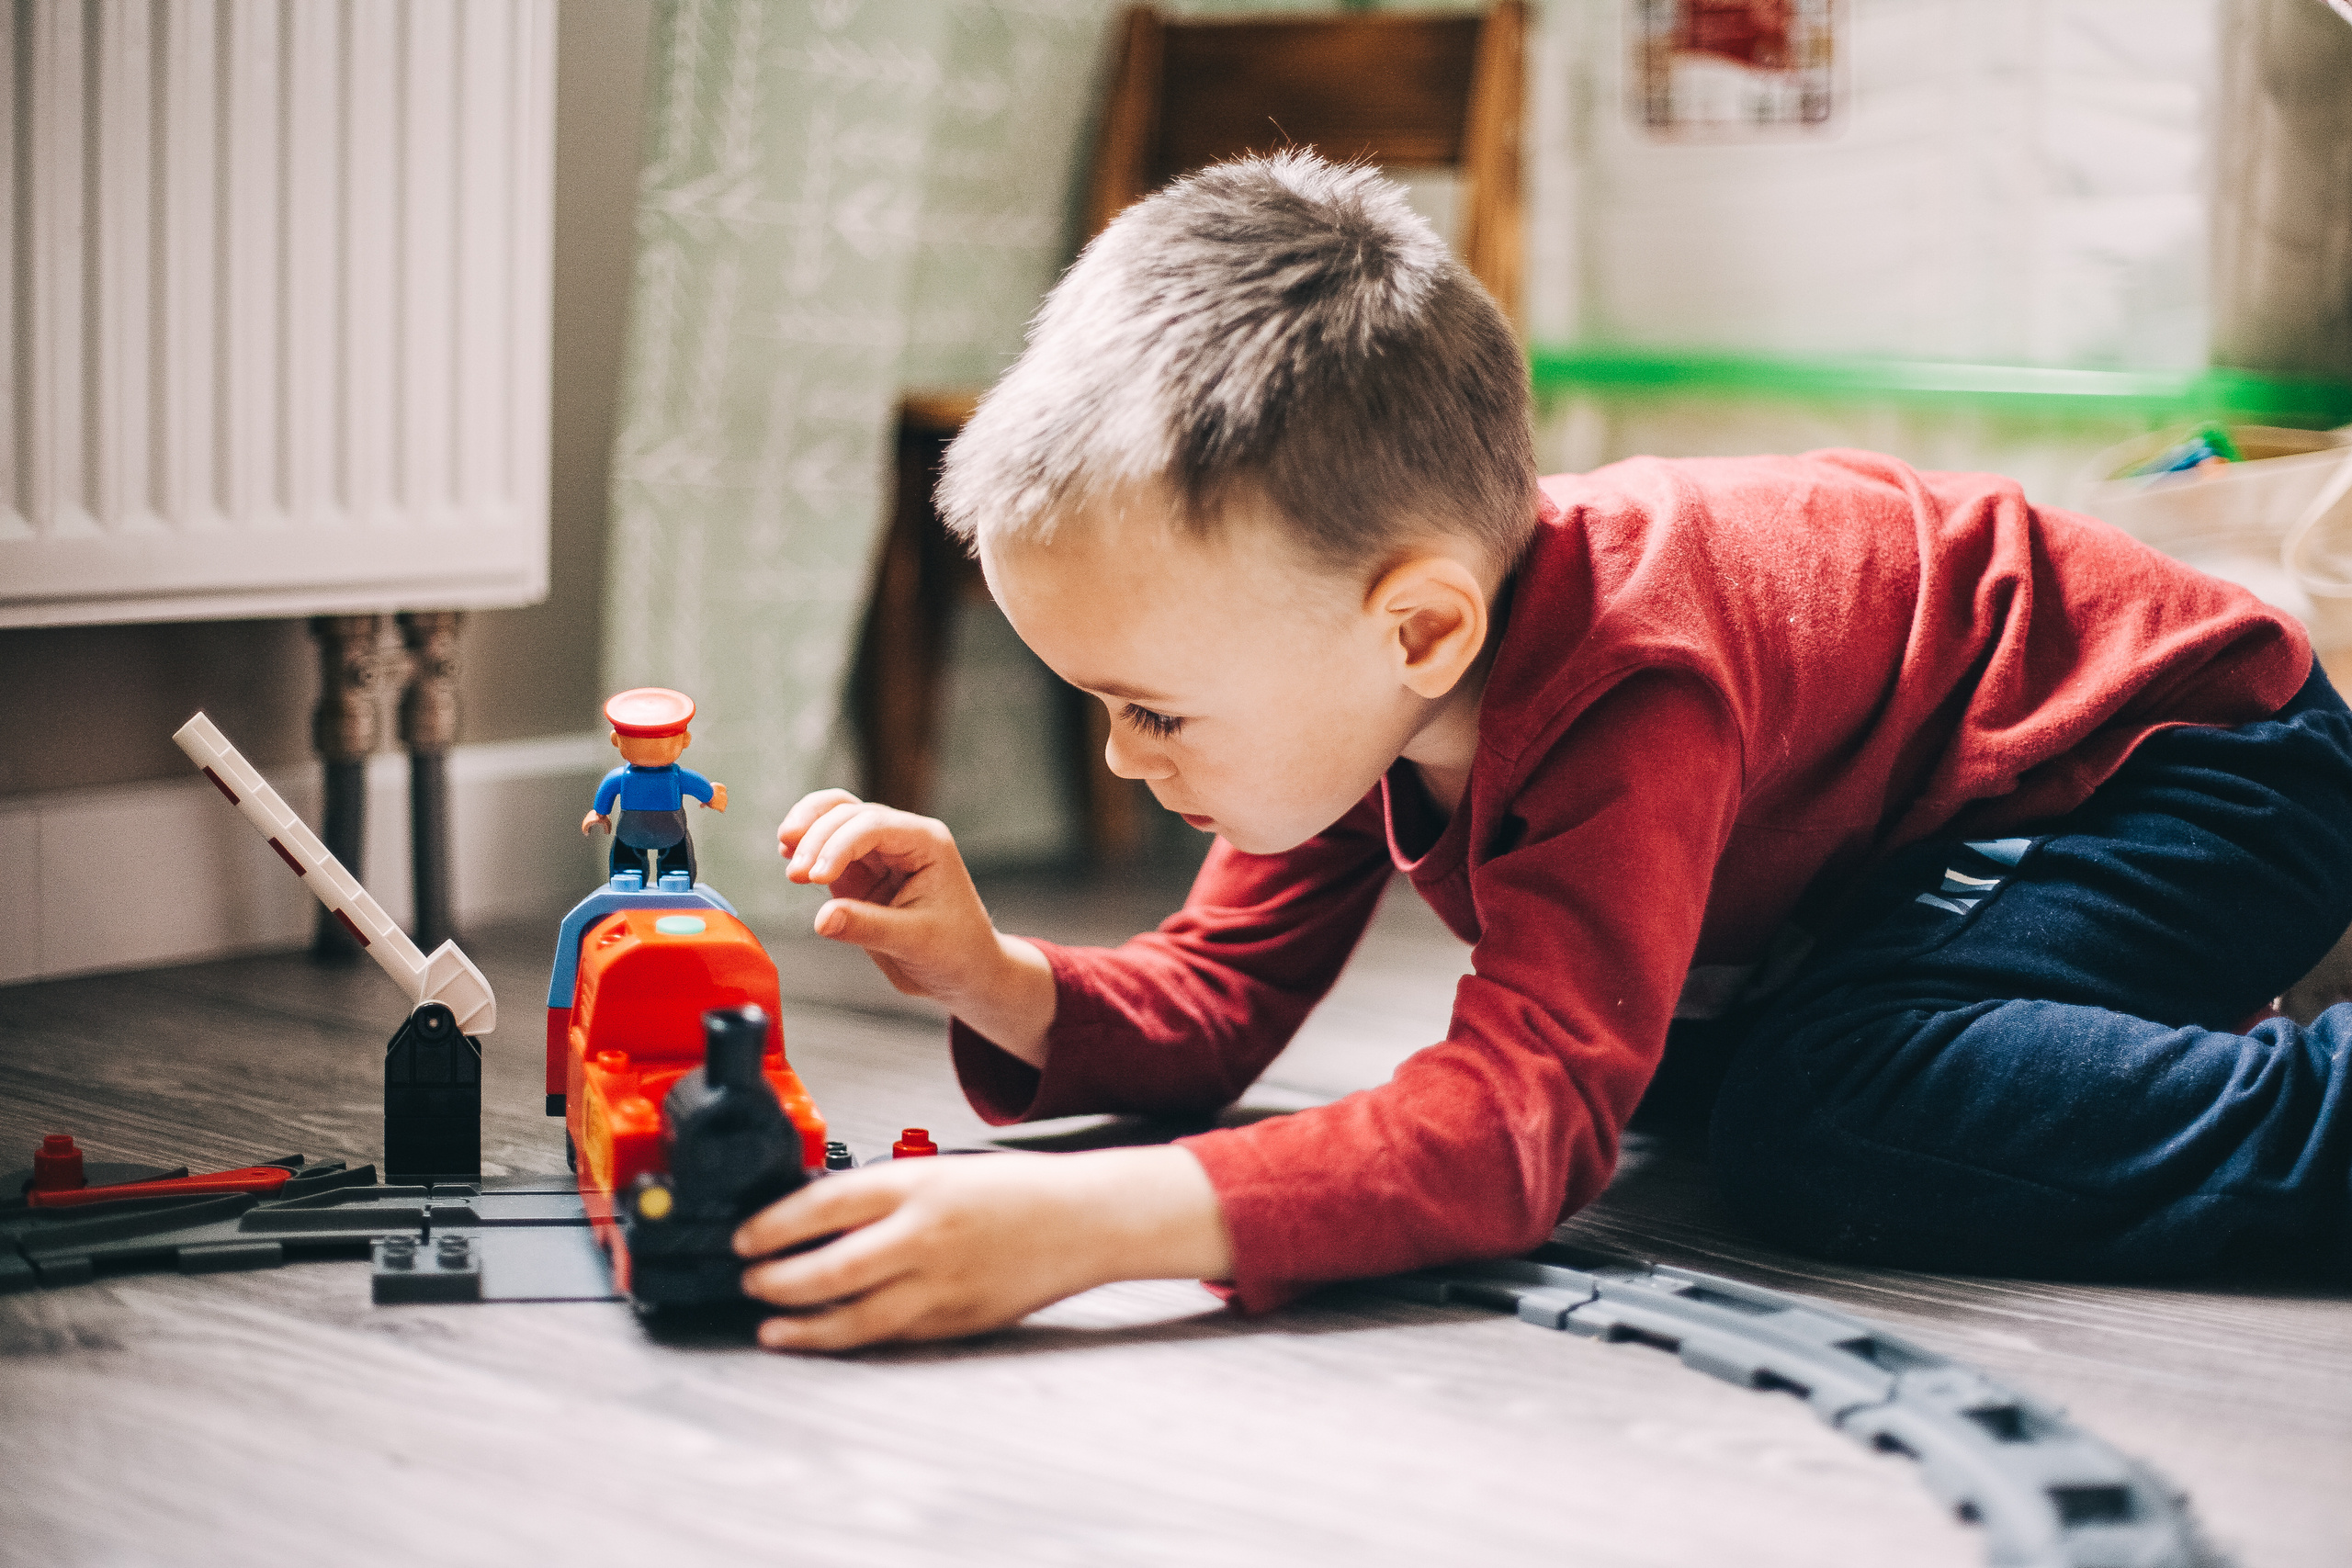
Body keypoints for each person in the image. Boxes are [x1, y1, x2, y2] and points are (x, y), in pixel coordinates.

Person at [729, 152, 2352, 1353]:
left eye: (1152, 707)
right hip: (1899, 844)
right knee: (1700, 1074)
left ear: (1421, 629)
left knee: (1823, 1108)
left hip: (2179, 759)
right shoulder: (1366, 666)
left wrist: (1091, 1224)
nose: (1121, 759)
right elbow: (1217, 996)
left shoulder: (1627, 675)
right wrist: (992, 974)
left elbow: (1524, 1123)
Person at [582, 687, 727, 886]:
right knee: (629, 859)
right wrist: (599, 813)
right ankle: (630, 872)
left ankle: (673, 873)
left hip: (661, 828)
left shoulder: (674, 777)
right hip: (641, 829)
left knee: (674, 860)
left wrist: (710, 795)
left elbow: (698, 785)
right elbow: (607, 789)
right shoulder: (627, 777)